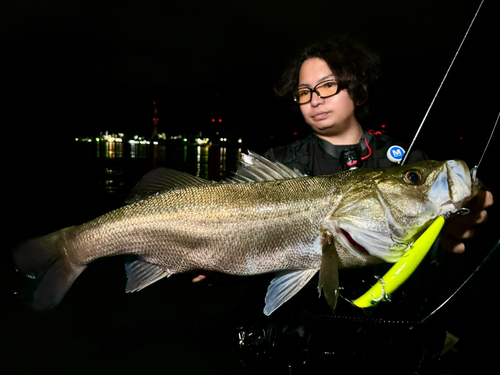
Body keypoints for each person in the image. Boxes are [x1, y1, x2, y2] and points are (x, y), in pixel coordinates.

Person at [235, 37, 494, 374]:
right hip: (293, 344)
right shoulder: (276, 163)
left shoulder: (405, 162)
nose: (314, 100)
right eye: (303, 92)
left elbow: (444, 234)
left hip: (388, 345)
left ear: (356, 91)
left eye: (327, 86)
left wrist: (458, 219)